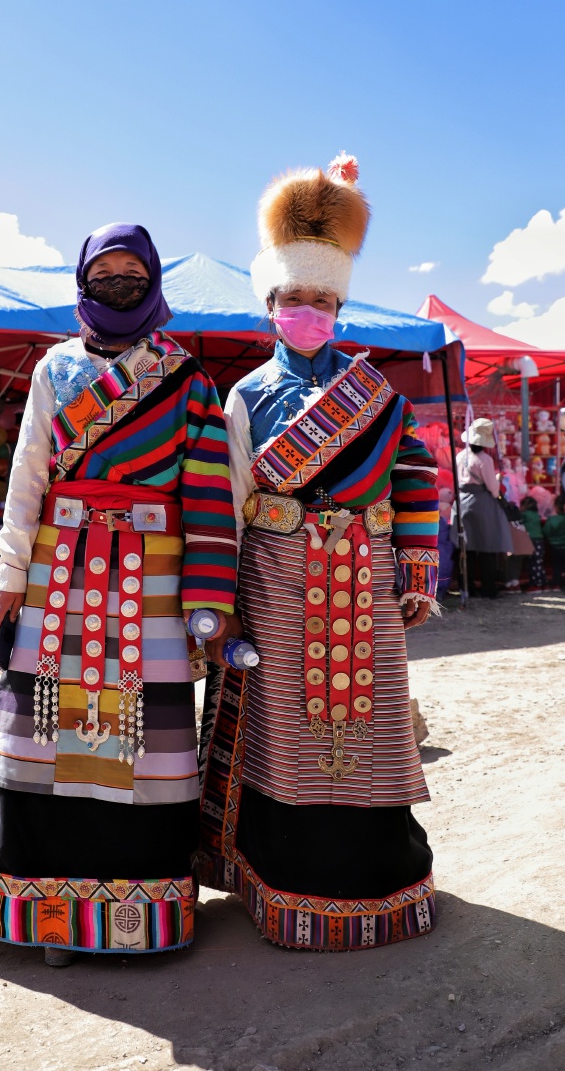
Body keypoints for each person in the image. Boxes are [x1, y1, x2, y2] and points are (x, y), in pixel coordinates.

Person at [0, 222, 237, 964]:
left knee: (146, 736)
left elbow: (210, 496)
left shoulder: (188, 379)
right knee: (47, 726)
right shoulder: (53, 371)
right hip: (61, 567)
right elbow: (28, 480)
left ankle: (140, 908)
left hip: (156, 577)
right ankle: (46, 909)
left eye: (130, 272)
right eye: (103, 272)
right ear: (83, 281)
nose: (116, 283)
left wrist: (208, 600)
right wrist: (11, 574)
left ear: (152, 280)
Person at [198, 154, 440, 951]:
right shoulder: (246, 396)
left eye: (321, 300)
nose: (308, 310)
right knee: (288, 725)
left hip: (366, 572)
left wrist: (416, 572)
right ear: (272, 306)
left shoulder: (383, 397)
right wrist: (223, 598)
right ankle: (286, 878)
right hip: (276, 571)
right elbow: (230, 500)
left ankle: (382, 880)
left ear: (339, 305)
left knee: (370, 722)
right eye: (294, 299)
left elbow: (413, 479)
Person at [452, 420, 513, 599]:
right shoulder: (484, 460)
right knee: (487, 548)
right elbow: (493, 489)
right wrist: (497, 479)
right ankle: (488, 588)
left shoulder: (460, 456)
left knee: (466, 549)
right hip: (482, 504)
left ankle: (467, 587)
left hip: (462, 503)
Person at [521, 494, 546, 591]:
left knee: (532, 564)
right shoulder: (536, 515)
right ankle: (542, 581)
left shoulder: (524, 514)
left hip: (531, 540)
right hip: (540, 540)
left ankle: (535, 584)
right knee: (538, 562)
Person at [544, 495, 565, 590]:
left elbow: (546, 531)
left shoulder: (552, 520)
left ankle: (556, 584)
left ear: (555, 506)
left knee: (557, 566)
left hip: (555, 546)